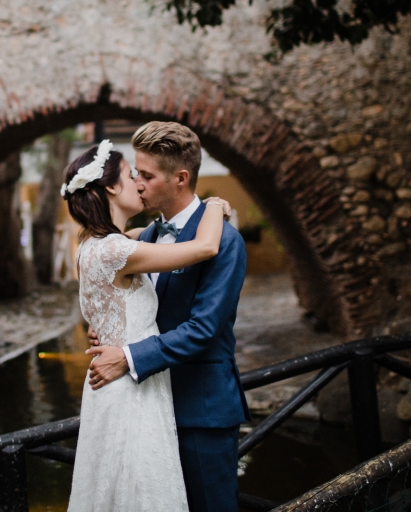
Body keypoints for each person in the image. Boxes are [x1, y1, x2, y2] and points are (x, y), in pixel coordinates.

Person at [86, 121, 250, 512]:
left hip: (201, 411)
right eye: (135, 174)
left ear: (180, 178)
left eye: (146, 175)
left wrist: (127, 357)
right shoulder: (150, 236)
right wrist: (110, 329)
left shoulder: (224, 241)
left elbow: (203, 329)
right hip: (149, 409)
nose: (137, 183)